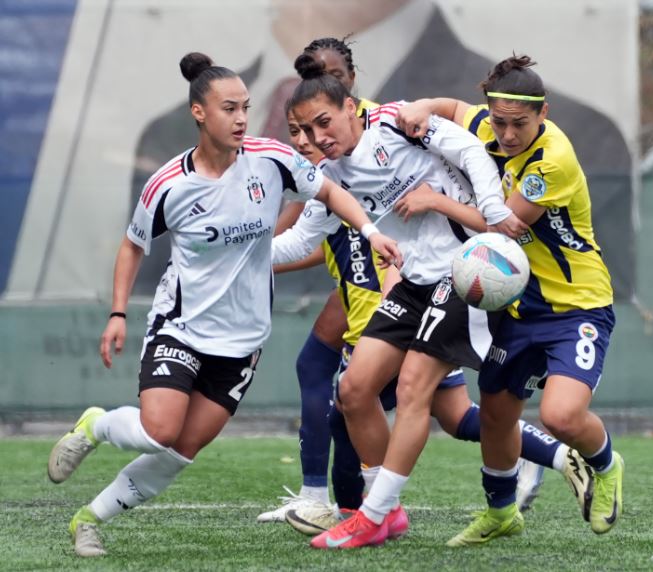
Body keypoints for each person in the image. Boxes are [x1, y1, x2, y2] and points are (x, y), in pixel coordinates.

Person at [45, 51, 401, 558]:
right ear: (199, 112)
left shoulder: (270, 160)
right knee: (159, 430)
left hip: (243, 342)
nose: (240, 119)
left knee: (181, 450)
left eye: (245, 108)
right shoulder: (169, 184)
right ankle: (95, 425)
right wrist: (118, 313)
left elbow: (330, 191)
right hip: (182, 327)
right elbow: (132, 245)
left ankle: (89, 519)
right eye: (229, 108)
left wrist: (369, 231)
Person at [275, 109, 594, 537]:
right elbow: (304, 242)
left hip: (440, 288)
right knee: (377, 398)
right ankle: (358, 505)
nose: (306, 139)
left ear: (348, 107)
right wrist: (240, 257)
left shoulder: (394, 131)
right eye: (297, 131)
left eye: (317, 126)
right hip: (403, 294)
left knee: (407, 398)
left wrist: (467, 208)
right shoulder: (329, 179)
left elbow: (466, 158)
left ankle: (364, 510)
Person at [397, 55, 623, 545]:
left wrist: (435, 200)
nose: (507, 133)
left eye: (519, 123)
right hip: (519, 307)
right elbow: (454, 108)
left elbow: (503, 225)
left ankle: (607, 466)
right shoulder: (487, 123)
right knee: (496, 413)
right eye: (499, 122)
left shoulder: (551, 161)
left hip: (576, 306)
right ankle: (501, 513)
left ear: (543, 114)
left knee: (560, 417)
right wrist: (423, 105)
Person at [257, 37, 382, 522]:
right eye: (315, 78)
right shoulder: (318, 138)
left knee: (395, 398)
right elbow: (305, 230)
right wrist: (250, 257)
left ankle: (523, 450)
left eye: (335, 77)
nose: (326, 86)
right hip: (355, 277)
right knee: (320, 372)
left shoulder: (377, 128)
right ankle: (322, 500)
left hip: (392, 281)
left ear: (352, 80)